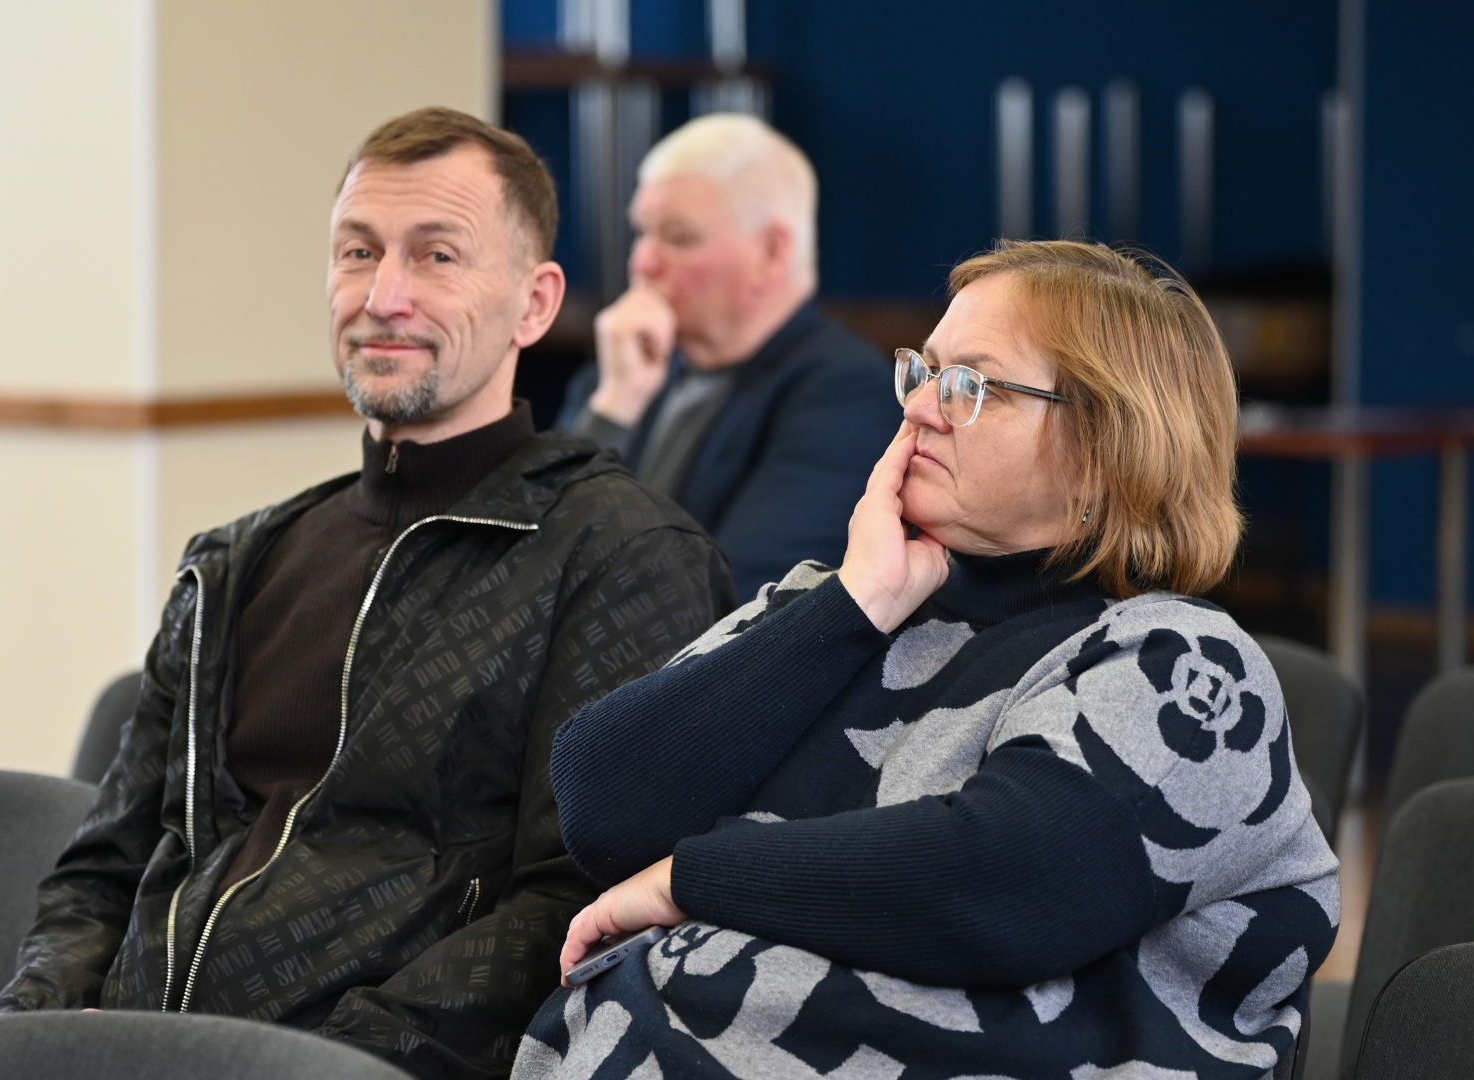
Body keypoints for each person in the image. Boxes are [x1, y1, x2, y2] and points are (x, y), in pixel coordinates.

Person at [0, 108, 736, 1080]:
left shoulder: (621, 555)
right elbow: (102, 869)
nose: (384, 297)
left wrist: (315, 1066)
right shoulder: (234, 562)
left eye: (436, 256)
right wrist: (26, 1036)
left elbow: (575, 900)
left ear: (535, 304)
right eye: (358, 252)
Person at [519, 241, 1340, 1080]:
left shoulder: (1179, 663)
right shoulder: (838, 604)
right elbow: (602, 804)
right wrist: (854, 606)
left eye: (972, 387)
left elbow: (1005, 883)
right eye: (923, 372)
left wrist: (689, 879)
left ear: (1107, 448)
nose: (918, 409)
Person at [559, 113, 899, 599]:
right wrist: (612, 410)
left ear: (771, 252)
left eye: (678, 237)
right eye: (641, 233)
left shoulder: (846, 394)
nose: (642, 262)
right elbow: (527, 560)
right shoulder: (617, 375)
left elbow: (733, 598)